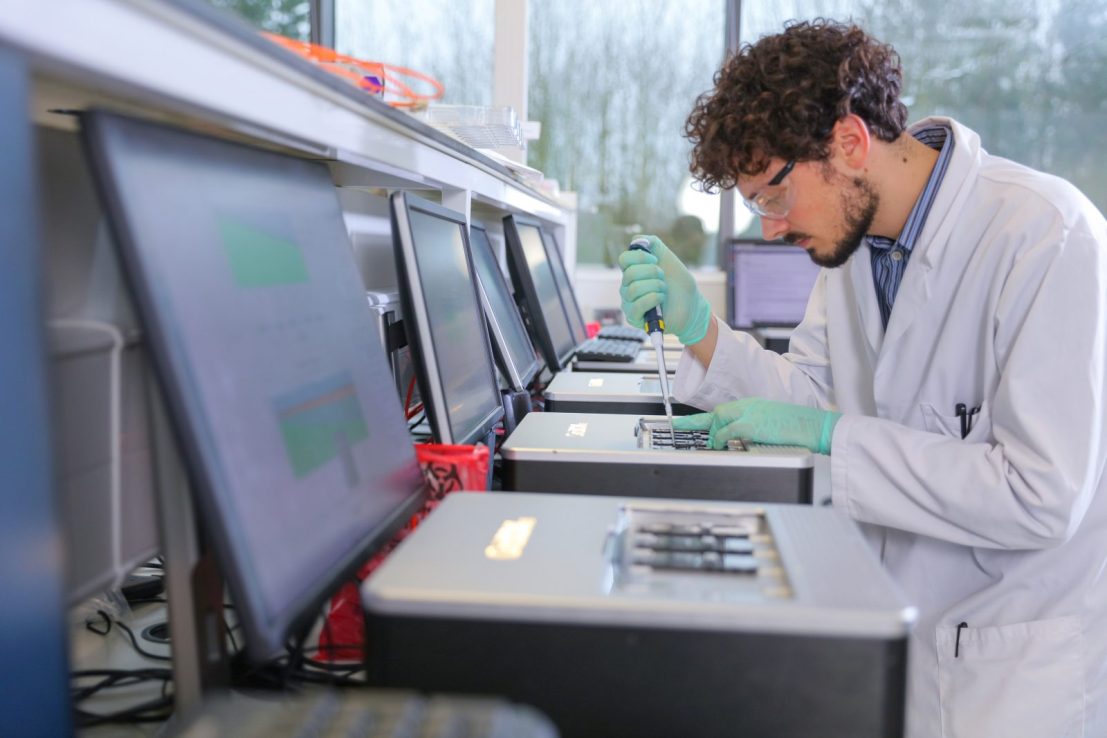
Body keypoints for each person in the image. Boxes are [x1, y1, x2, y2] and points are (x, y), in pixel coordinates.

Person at [619, 18, 1107, 738]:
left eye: (772, 196)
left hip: (1013, 662)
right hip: (904, 631)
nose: (770, 228)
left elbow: (1040, 494)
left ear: (849, 142)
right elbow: (813, 399)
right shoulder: (857, 247)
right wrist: (701, 332)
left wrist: (831, 437)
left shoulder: (1045, 235)